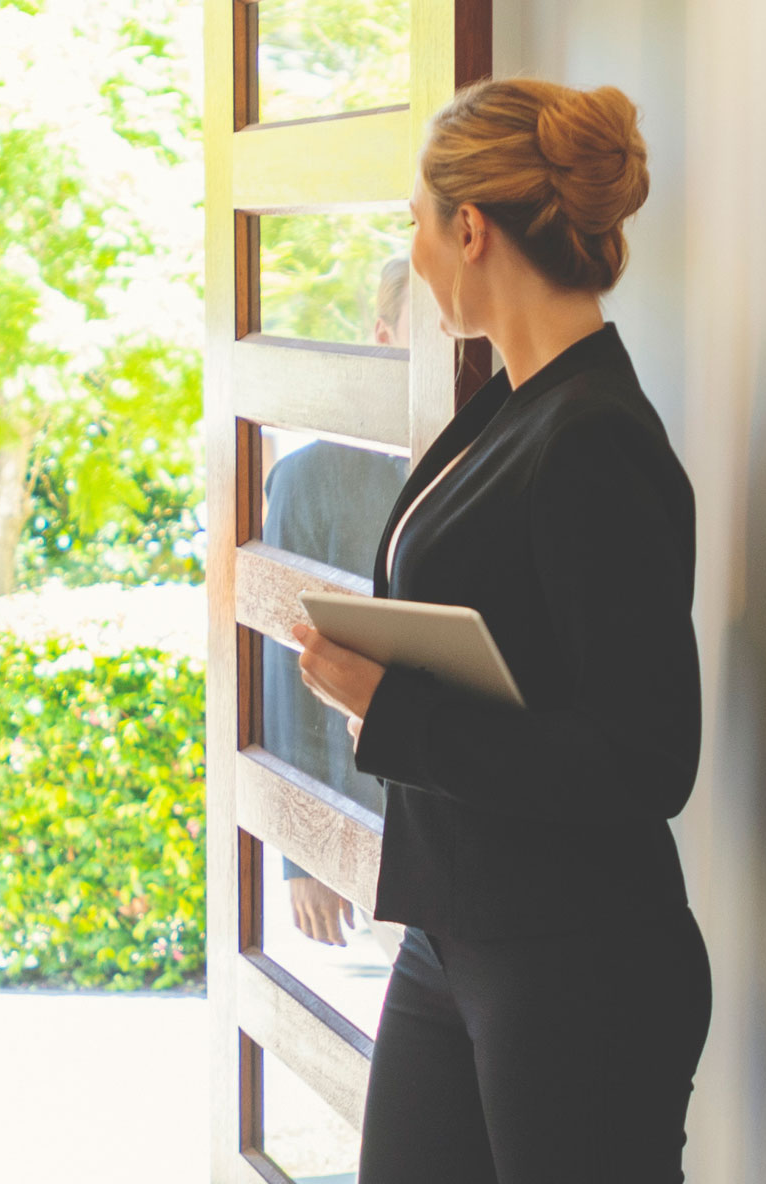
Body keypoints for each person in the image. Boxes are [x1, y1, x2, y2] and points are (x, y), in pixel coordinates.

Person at [292, 79, 710, 1183]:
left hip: (576, 958)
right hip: (454, 931)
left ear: (467, 228)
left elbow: (646, 759)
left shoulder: (595, 437)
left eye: (415, 224)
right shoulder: (516, 406)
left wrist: (389, 705)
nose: (417, 253)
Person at [263, 255, 414, 945]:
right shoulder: (312, 476)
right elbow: (285, 665)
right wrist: (304, 850)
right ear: (383, 339)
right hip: (359, 825)